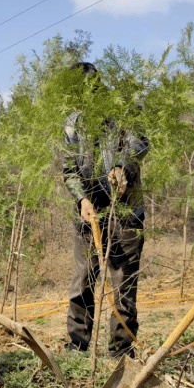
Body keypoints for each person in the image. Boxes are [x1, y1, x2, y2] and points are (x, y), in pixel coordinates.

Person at [62, 62, 149, 359]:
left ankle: (121, 352)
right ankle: (77, 345)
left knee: (122, 282)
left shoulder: (125, 111)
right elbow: (69, 170)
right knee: (83, 279)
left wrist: (122, 167)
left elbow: (139, 142)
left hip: (126, 213)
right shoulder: (72, 124)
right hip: (89, 214)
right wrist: (81, 200)